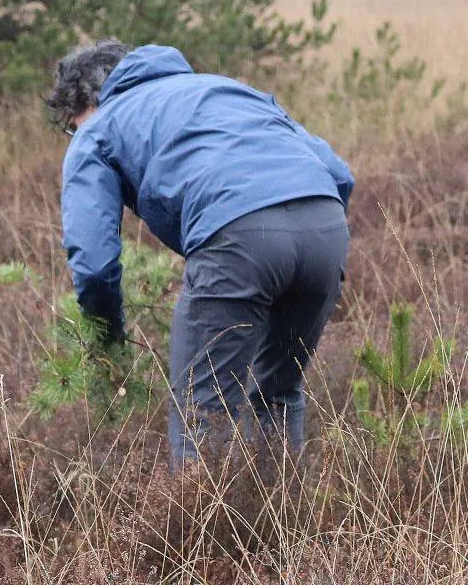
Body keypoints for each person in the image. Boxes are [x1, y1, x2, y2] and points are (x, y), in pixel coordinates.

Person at [52, 39, 354, 466]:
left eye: (70, 125)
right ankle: (288, 527)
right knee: (278, 393)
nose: (73, 135)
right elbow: (339, 173)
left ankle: (201, 532)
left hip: (238, 237)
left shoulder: (100, 127)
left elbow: (95, 264)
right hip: (325, 227)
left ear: (88, 102)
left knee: (203, 405)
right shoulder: (228, 90)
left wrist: (107, 339)